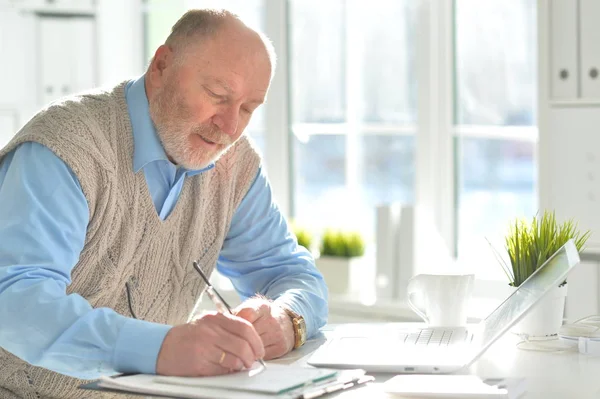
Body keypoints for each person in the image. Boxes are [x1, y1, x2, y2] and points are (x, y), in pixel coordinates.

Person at [0, 8, 328, 398]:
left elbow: (290, 272)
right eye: (218, 95)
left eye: (248, 108)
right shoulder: (65, 148)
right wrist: (160, 349)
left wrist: (287, 317)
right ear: (161, 66)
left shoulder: (234, 164)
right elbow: (16, 300)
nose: (230, 127)